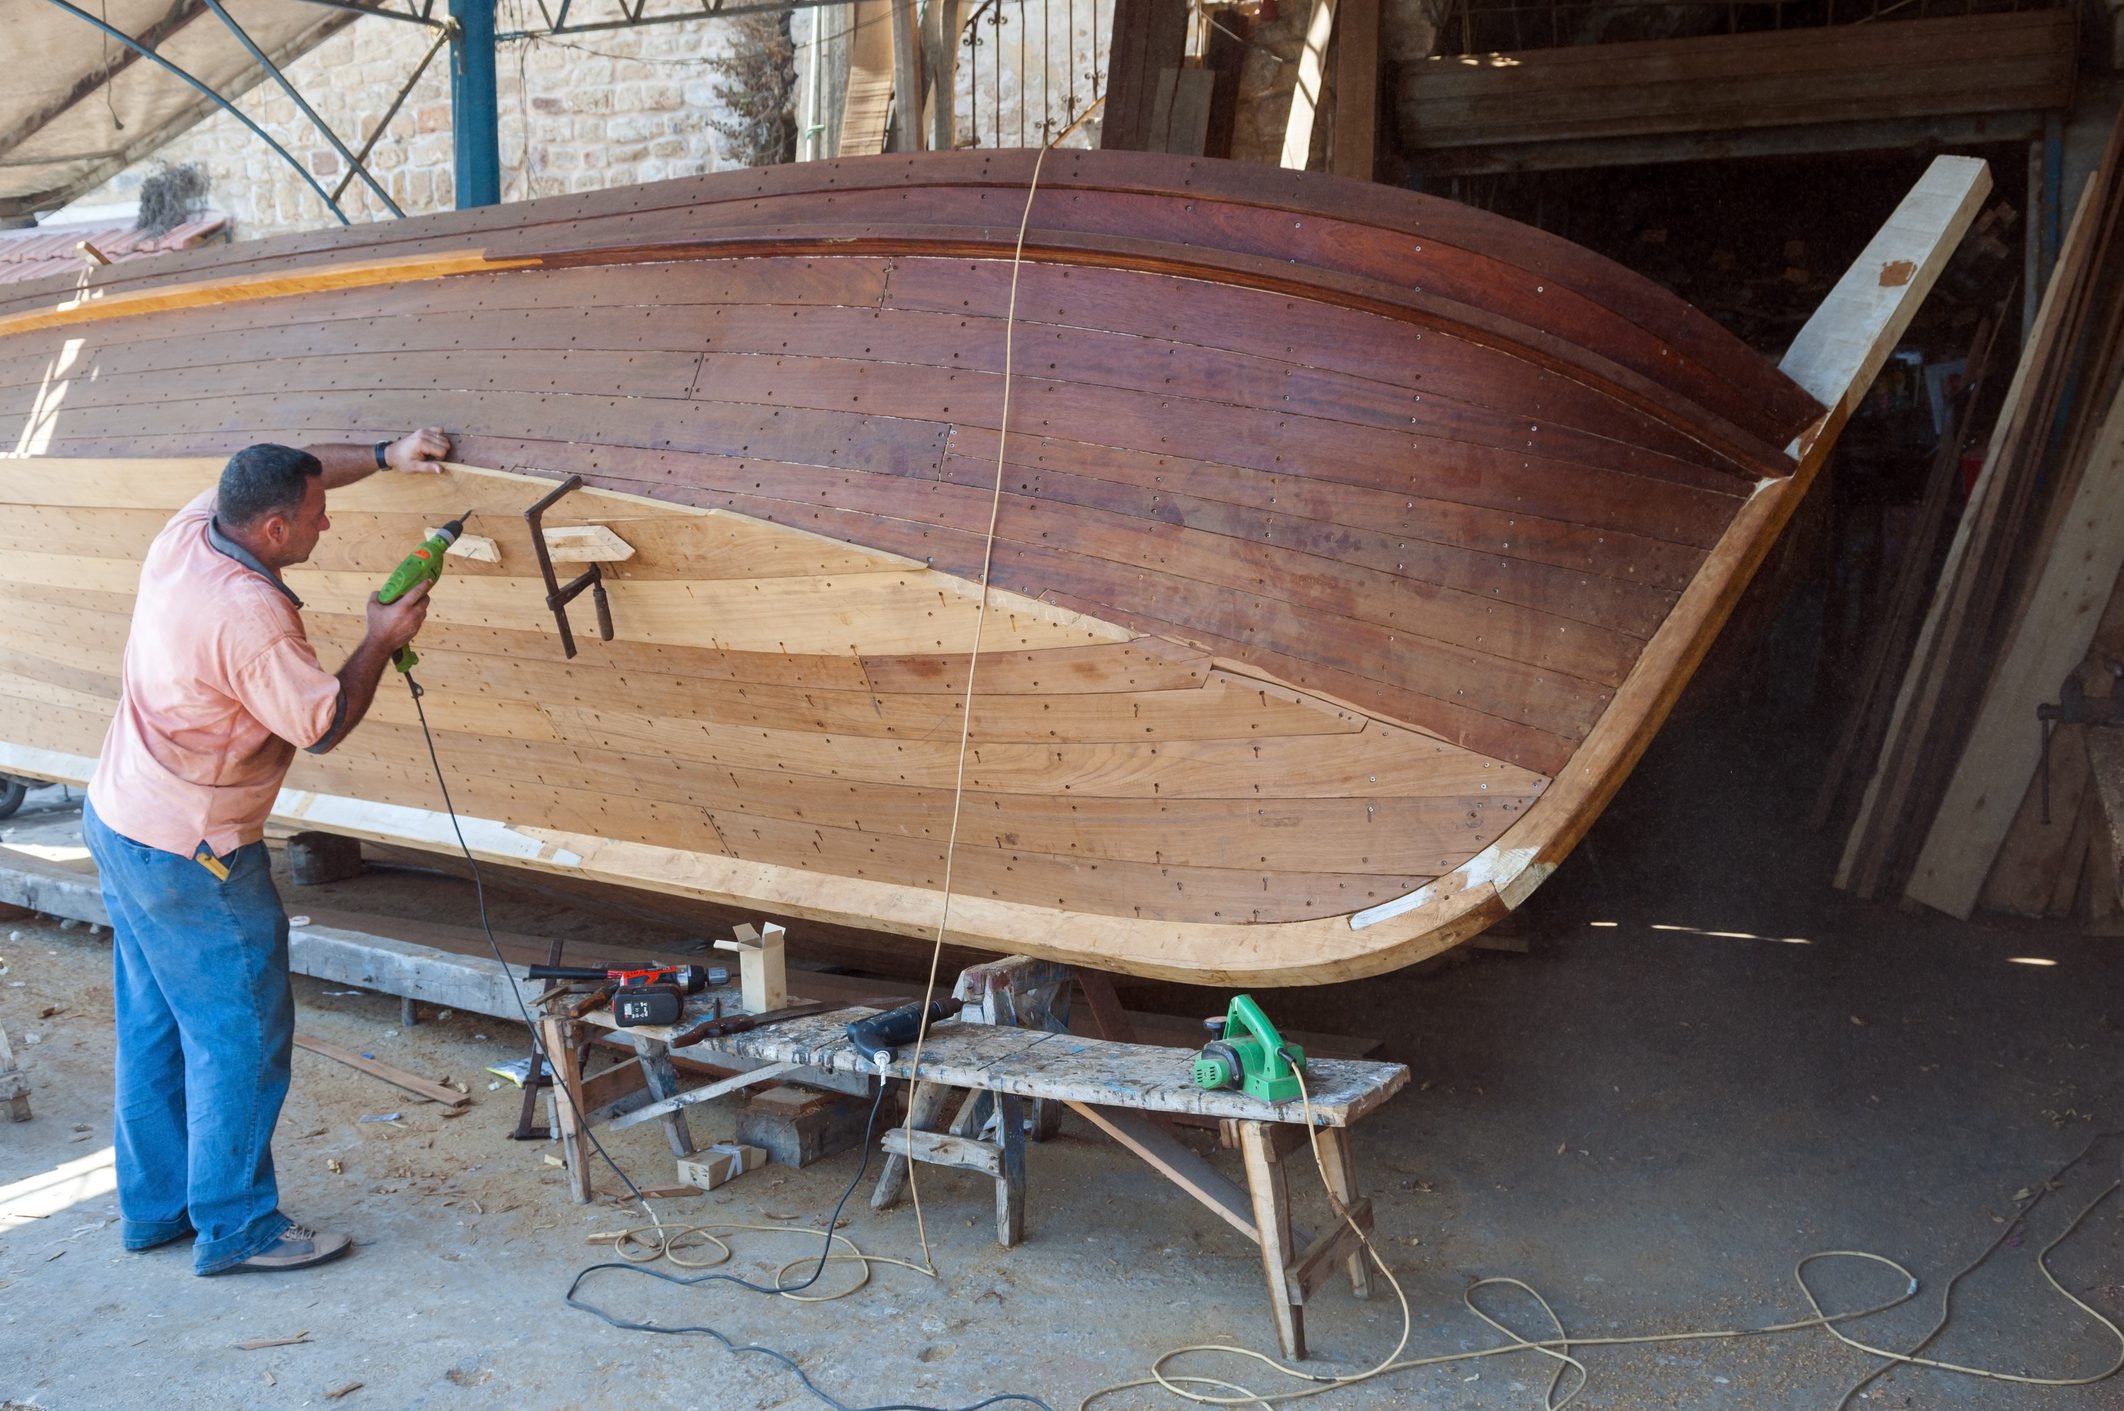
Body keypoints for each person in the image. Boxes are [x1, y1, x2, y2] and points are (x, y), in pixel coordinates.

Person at [82, 430, 452, 1275]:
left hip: (120, 817)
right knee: (239, 1032)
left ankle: (157, 1211)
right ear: (276, 529)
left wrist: (388, 455)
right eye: (318, 518)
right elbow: (320, 723)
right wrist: (380, 639)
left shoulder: (195, 528)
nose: (329, 526)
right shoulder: (248, 617)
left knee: (155, 1025)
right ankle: (238, 1226)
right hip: (193, 854)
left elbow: (306, 471)